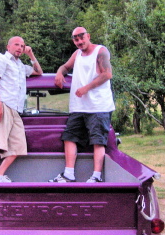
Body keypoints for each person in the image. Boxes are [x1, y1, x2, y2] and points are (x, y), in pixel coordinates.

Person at [49, 27, 115, 183]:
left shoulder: (100, 51)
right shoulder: (77, 54)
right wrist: (59, 73)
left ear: (88, 36)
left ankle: (96, 176)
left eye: (81, 38)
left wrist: (86, 88)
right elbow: (65, 67)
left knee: (98, 141)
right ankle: (69, 174)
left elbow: (107, 74)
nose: (79, 41)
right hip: (78, 106)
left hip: (98, 106)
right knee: (69, 137)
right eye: (76, 39)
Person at [0, 36, 43, 182]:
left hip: (15, 108)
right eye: (17, 45)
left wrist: (31, 55)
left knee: (18, 146)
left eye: (22, 46)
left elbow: (39, 72)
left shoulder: (20, 66)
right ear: (8, 47)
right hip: (2, 103)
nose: (20, 48)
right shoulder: (1, 60)